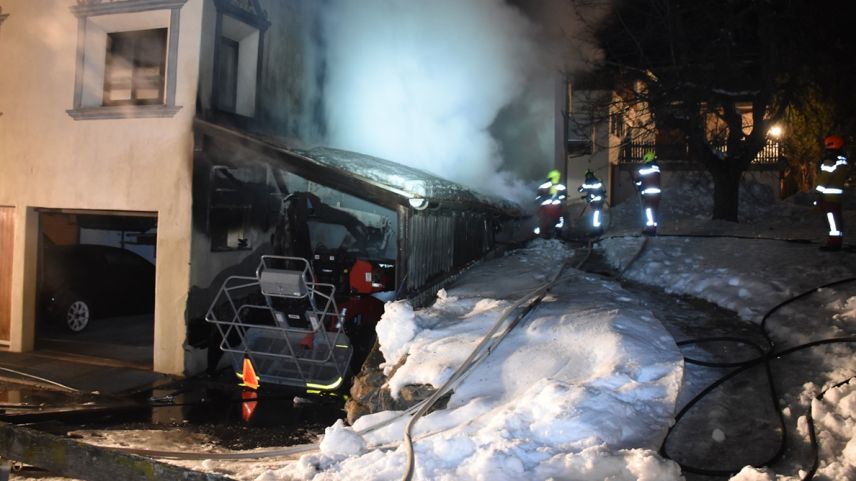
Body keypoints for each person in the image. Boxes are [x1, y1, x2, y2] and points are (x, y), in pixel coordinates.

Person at [815, 135, 849, 251]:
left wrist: (818, 193)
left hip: (828, 197)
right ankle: (836, 241)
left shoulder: (830, 161)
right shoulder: (842, 160)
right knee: (836, 220)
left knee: (831, 221)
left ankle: (833, 244)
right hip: (837, 196)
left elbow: (824, 178)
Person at [635, 150, 661, 235]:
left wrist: (637, 184)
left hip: (649, 193)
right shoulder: (656, 167)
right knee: (654, 210)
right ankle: (654, 227)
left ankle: (650, 228)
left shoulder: (645, 168)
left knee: (649, 210)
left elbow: (639, 179)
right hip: (656, 194)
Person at [535, 169, 567, 238]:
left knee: (542, 219)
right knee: (559, 219)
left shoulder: (543, 186)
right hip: (556, 206)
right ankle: (557, 233)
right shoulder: (561, 186)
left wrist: (538, 200)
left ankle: (541, 233)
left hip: (546, 206)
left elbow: (538, 196)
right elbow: (564, 196)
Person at [578, 169, 606, 237]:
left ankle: (597, 231)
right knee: (595, 216)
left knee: (595, 216)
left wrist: (590, 196)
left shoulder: (594, 182)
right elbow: (582, 190)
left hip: (597, 202)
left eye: (589, 175)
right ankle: (598, 230)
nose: (588, 176)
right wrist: (586, 196)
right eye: (587, 175)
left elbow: (595, 191)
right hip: (595, 202)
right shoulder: (590, 182)